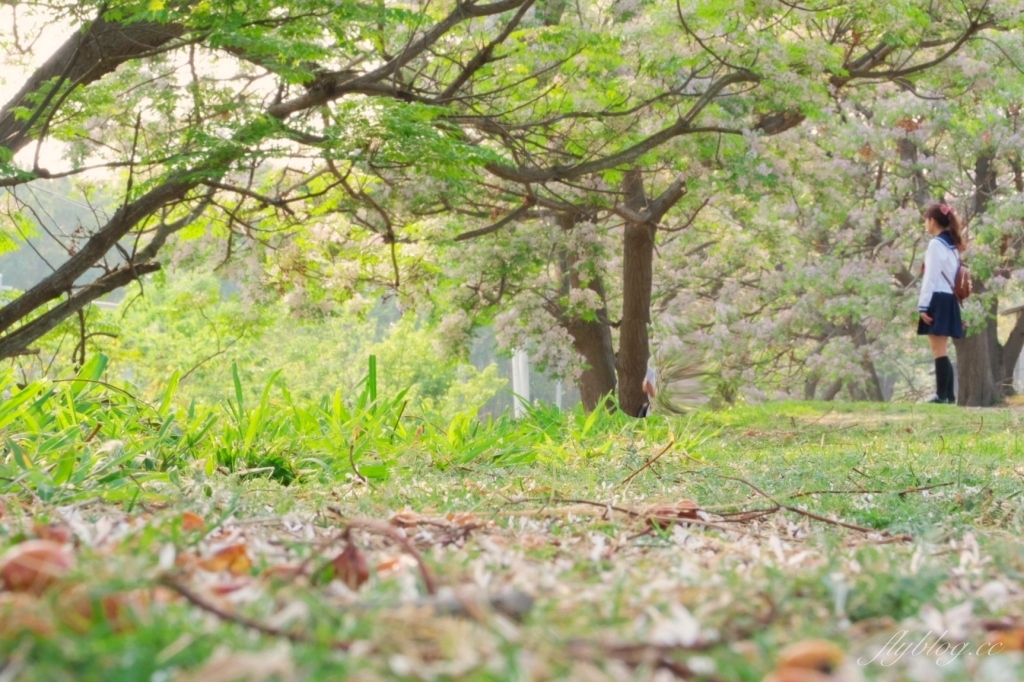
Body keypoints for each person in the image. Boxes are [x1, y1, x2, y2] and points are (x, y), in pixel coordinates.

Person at [917, 202, 966, 404]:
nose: (925, 224)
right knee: (942, 349)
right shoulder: (953, 246)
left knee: (938, 350)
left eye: (926, 220)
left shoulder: (936, 244)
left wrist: (923, 305)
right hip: (949, 299)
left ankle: (941, 395)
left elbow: (930, 276)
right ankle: (948, 395)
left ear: (932, 221)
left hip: (937, 297)